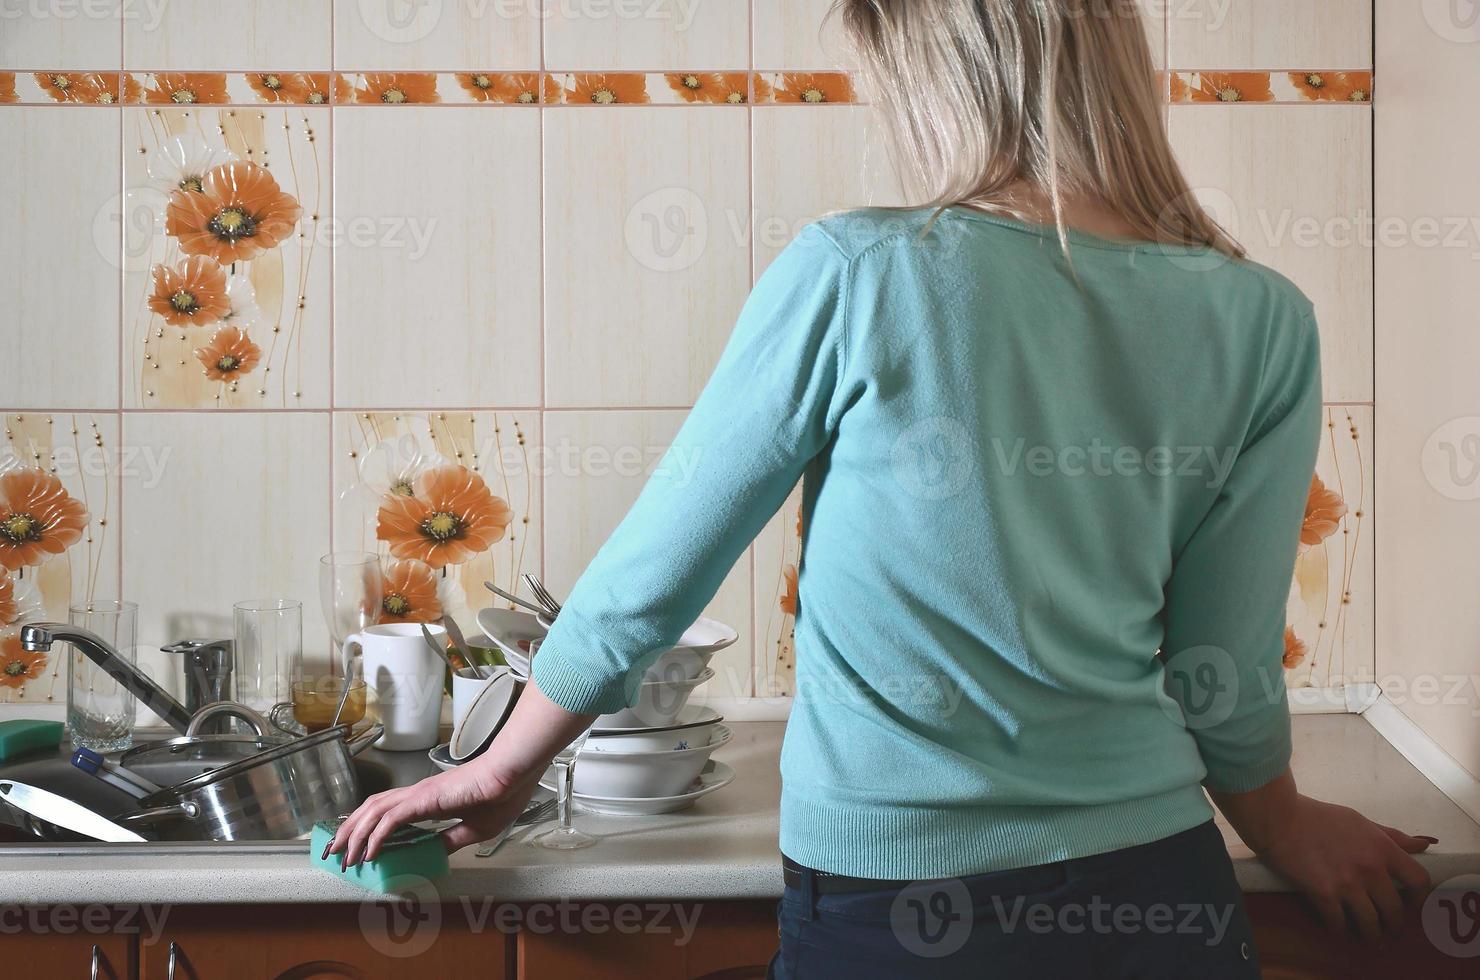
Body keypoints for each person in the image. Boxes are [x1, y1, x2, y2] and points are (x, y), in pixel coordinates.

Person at [328, 1, 1433, 975]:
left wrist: (504, 763)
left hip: (903, 906)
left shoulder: (858, 270)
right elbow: (1221, 662)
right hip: (1159, 889)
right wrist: (1282, 823)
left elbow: (650, 579)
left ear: (945, 84)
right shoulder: (1263, 318)